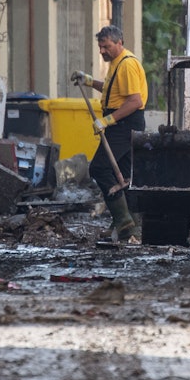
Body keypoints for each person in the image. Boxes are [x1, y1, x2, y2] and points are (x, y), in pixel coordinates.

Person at [71, 25, 148, 243]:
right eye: (100, 47)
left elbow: (135, 101)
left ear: (119, 43)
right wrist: (88, 81)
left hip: (124, 123)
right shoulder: (117, 64)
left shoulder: (128, 65)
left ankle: (123, 219)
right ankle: (131, 228)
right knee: (124, 175)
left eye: (106, 47)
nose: (102, 51)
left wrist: (108, 120)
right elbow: (112, 88)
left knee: (99, 168)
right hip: (121, 122)